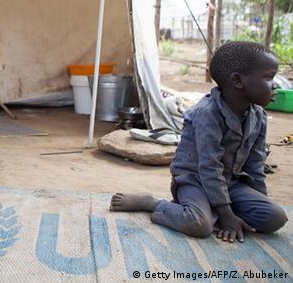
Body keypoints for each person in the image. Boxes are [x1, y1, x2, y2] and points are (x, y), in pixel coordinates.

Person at [110, 41, 288, 242]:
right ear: (238, 81)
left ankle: (217, 210)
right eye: (269, 77)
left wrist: (257, 202)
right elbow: (209, 167)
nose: (275, 85)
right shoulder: (206, 114)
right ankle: (154, 204)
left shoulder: (258, 116)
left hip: (231, 182)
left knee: (275, 218)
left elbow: (255, 165)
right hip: (195, 180)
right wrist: (227, 214)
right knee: (199, 225)